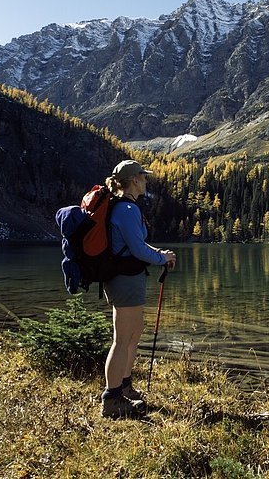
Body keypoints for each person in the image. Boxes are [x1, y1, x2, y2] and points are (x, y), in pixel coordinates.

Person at [100, 159, 176, 419]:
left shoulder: (124, 207)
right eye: (143, 177)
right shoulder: (127, 210)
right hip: (125, 279)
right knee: (122, 340)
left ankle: (125, 386)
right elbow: (137, 249)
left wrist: (159, 254)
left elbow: (137, 246)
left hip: (127, 277)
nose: (146, 181)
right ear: (134, 180)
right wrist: (162, 258)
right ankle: (112, 399)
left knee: (133, 334)